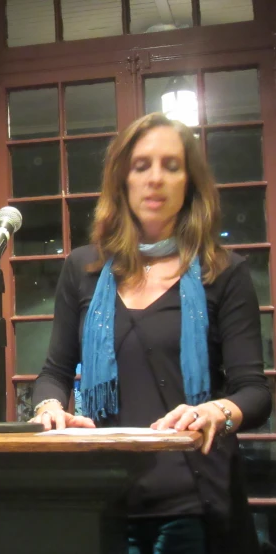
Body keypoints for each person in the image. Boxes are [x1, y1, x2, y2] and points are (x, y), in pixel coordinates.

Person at [30, 112, 271, 554]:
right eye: (141, 166)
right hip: (103, 500)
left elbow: (254, 393)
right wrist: (49, 407)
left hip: (196, 505)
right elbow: (54, 373)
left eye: (171, 165)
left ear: (189, 182)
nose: (155, 178)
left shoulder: (226, 272)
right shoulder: (82, 268)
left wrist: (218, 411)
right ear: (122, 180)